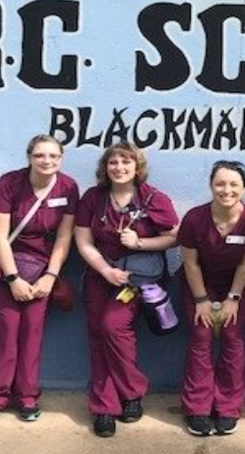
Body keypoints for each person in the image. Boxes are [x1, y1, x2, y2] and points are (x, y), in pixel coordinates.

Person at [73, 142, 180, 438]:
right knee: (97, 337)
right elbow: (83, 241)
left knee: (112, 327)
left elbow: (174, 237)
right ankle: (105, 407)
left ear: (137, 167)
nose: (119, 168)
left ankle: (132, 391)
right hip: (100, 274)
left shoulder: (154, 198)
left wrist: (141, 244)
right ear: (105, 168)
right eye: (113, 163)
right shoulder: (94, 198)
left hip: (136, 281)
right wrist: (105, 270)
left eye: (126, 162)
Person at [0, 135, 80, 427]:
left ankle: (27, 397)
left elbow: (64, 236)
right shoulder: (9, 184)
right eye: (40, 156)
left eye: (53, 156)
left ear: (61, 158)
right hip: (4, 270)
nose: (47, 161)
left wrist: (50, 276)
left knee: (32, 335)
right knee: (5, 335)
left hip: (42, 273)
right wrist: (12, 279)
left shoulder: (68, 187)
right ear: (30, 157)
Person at [176, 160, 245, 437]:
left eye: (233, 184)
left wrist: (233, 298)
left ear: (244, 188)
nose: (226, 190)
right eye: (220, 184)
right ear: (211, 186)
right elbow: (190, 262)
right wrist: (201, 299)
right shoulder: (194, 219)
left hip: (238, 284)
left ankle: (228, 407)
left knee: (231, 335)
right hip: (199, 281)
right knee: (201, 335)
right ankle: (198, 408)